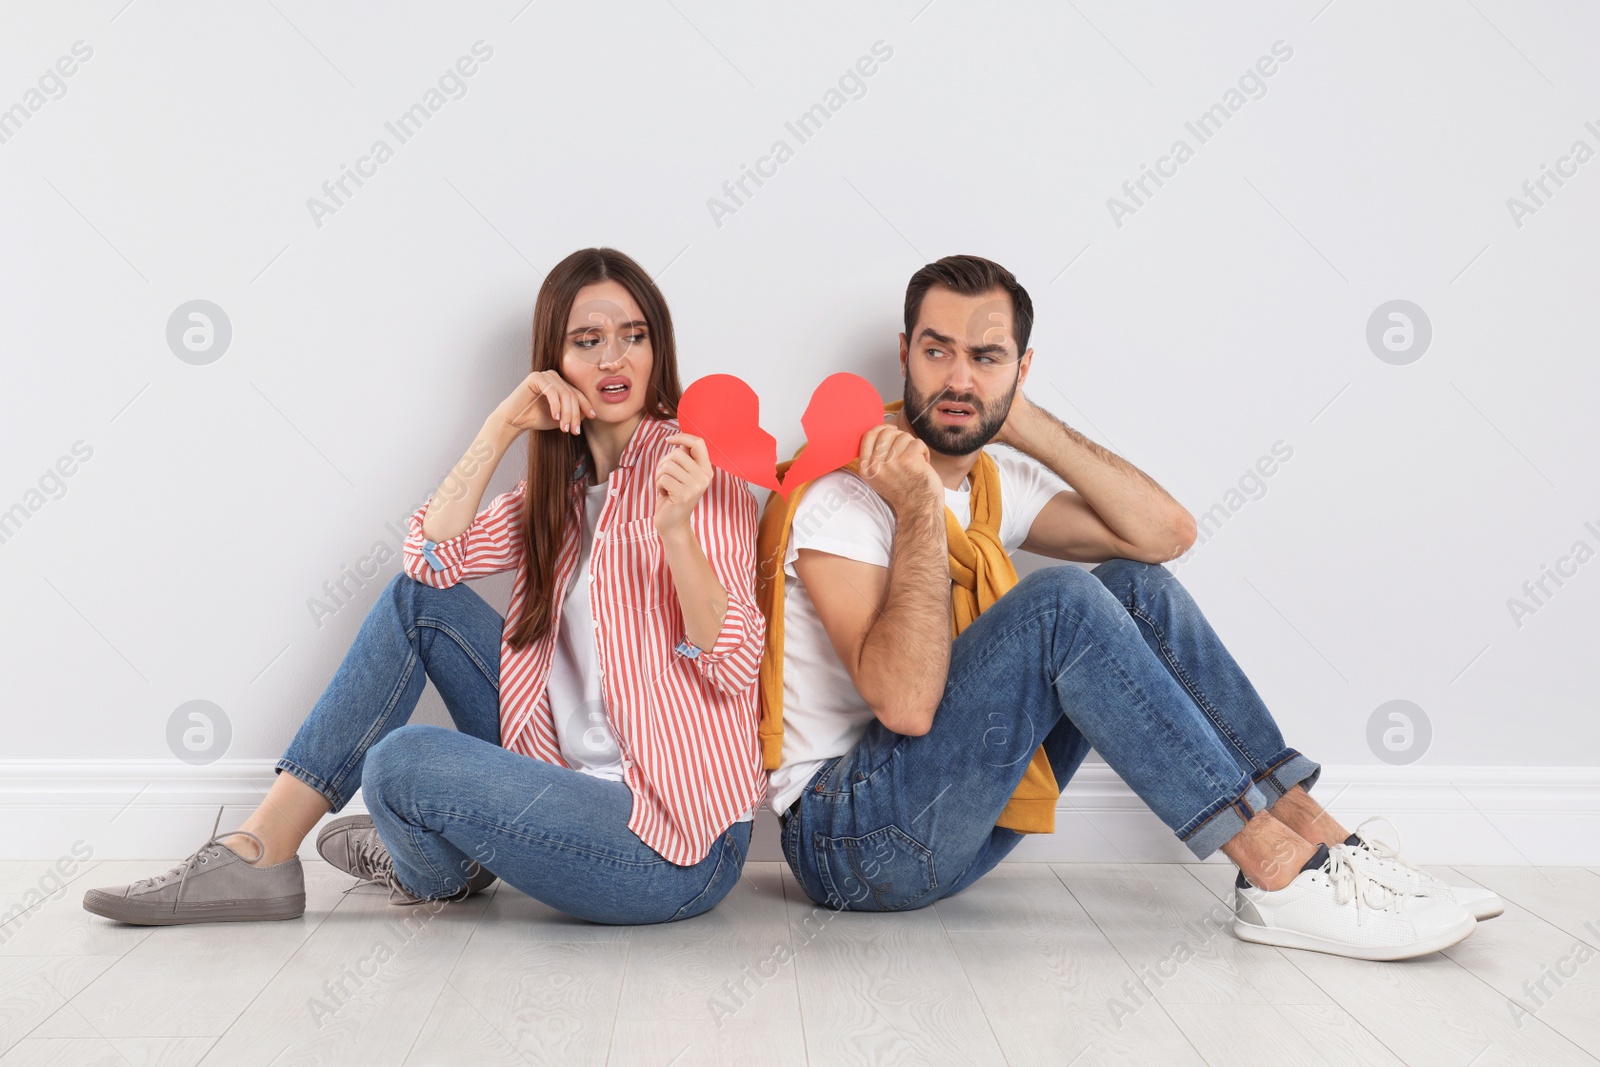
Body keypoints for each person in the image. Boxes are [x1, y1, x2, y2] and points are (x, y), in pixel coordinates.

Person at [756, 253, 1502, 960]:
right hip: (849, 842)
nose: (957, 377)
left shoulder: (989, 483)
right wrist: (916, 505)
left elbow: (1165, 534)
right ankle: (1274, 869)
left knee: (1130, 585)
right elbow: (909, 707)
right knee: (1060, 602)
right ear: (904, 353)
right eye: (936, 351)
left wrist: (1019, 419)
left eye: (986, 357)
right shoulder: (846, 499)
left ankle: (1320, 841)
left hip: (947, 824)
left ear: (1021, 368)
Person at [84, 247, 766, 926]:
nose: (614, 358)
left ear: (658, 348)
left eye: (634, 336)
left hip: (670, 842)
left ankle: (436, 858)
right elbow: (429, 559)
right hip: (556, 777)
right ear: (556, 365)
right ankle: (261, 850)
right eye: (588, 341)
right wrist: (500, 426)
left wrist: (676, 530)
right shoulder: (557, 497)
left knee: (400, 762)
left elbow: (735, 662)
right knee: (417, 603)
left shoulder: (702, 471)